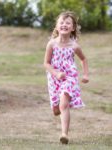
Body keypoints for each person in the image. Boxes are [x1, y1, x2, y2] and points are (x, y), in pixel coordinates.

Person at [43, 11, 89, 144]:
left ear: (73, 28)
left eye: (68, 23)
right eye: (61, 22)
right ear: (57, 27)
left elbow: (84, 59)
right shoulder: (51, 44)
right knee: (57, 108)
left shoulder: (74, 46)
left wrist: (85, 75)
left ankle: (64, 134)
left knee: (64, 104)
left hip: (70, 77)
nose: (64, 25)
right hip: (54, 77)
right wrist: (56, 73)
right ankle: (55, 107)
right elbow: (46, 63)